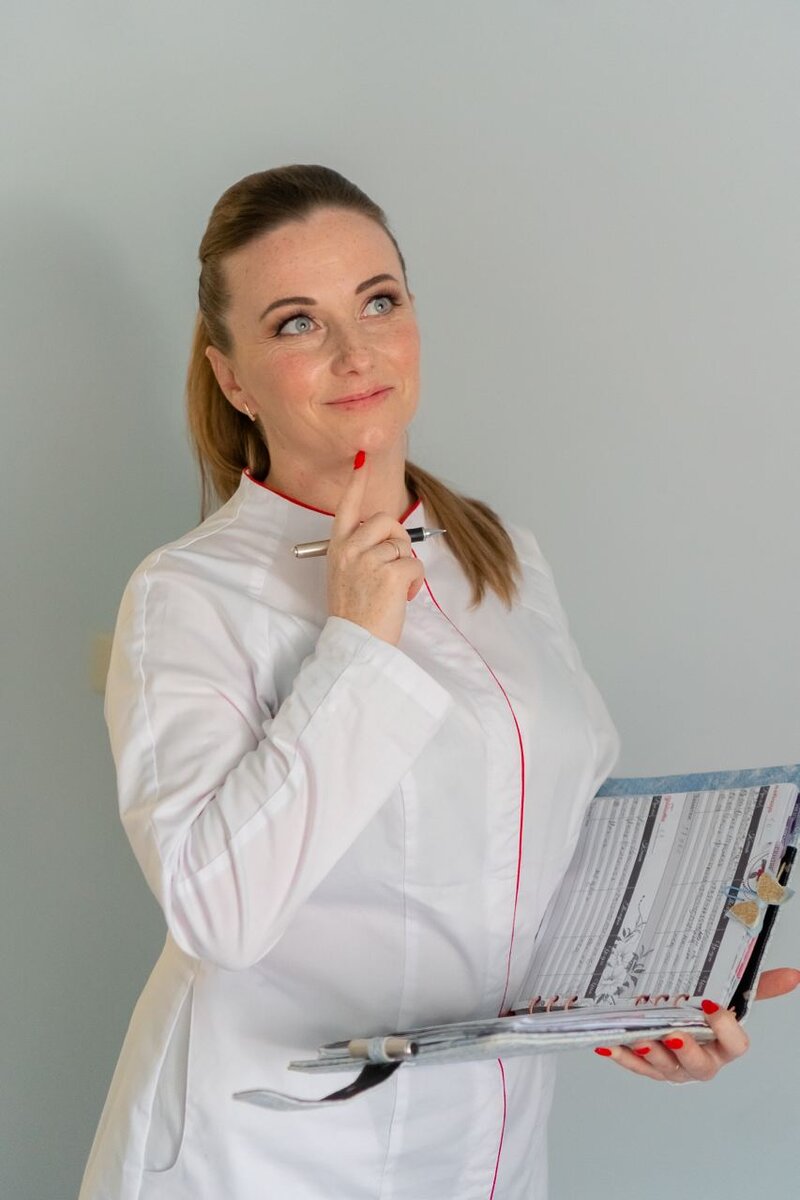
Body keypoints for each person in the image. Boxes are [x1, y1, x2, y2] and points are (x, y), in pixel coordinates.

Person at [79, 164, 799, 1200]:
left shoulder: (499, 553)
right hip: (264, 1154)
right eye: (296, 323)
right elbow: (219, 912)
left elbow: (544, 845)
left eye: (378, 302)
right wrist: (357, 639)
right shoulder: (187, 595)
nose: (355, 350)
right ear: (233, 379)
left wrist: (656, 996)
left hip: (483, 1148)